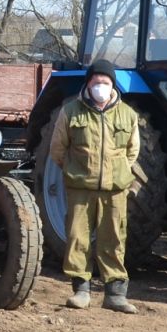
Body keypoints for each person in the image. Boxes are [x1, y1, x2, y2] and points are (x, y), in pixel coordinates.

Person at [48, 58, 141, 314]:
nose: (101, 86)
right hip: (80, 187)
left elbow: (133, 151)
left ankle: (115, 295)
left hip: (115, 189)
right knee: (78, 238)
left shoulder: (127, 114)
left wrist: (118, 172)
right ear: (88, 84)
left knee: (114, 239)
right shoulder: (70, 111)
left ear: (112, 85)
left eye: (105, 82)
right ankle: (81, 291)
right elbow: (58, 149)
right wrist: (75, 170)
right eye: (96, 82)